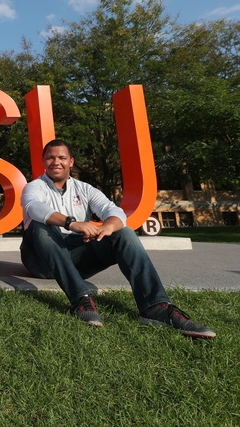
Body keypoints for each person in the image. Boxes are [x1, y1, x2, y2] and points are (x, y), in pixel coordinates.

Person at [20, 139, 215, 339]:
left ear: (71, 161)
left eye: (62, 157)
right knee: (40, 226)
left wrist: (107, 227)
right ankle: (80, 298)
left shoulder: (85, 189)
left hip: (76, 255)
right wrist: (71, 223)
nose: (56, 162)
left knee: (124, 233)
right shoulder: (34, 187)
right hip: (41, 260)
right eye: (50, 158)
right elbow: (33, 207)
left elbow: (114, 212)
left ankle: (155, 306)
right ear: (43, 162)